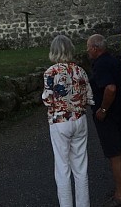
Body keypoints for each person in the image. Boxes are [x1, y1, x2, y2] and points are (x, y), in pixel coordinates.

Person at [42, 35, 93, 207]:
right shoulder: (80, 70)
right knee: (81, 166)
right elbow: (89, 96)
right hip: (79, 119)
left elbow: (48, 100)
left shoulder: (51, 72)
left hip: (60, 121)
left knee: (62, 167)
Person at [87, 34, 121, 207]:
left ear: (95, 48)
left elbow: (110, 88)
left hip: (109, 114)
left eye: (89, 47)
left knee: (114, 153)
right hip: (120, 111)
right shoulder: (115, 61)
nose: (87, 51)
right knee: (119, 150)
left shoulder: (101, 64)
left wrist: (103, 109)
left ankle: (120, 195)